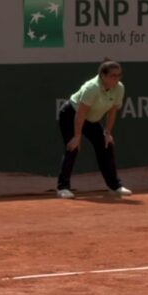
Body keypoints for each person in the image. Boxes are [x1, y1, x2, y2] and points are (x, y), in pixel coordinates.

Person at [56, 58, 133, 199]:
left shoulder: (119, 88)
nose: (116, 79)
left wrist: (107, 132)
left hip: (91, 120)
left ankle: (114, 186)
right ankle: (63, 188)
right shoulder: (92, 88)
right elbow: (81, 114)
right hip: (71, 115)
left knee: (106, 145)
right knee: (73, 147)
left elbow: (112, 112)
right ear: (103, 76)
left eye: (119, 75)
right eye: (112, 76)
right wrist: (77, 136)